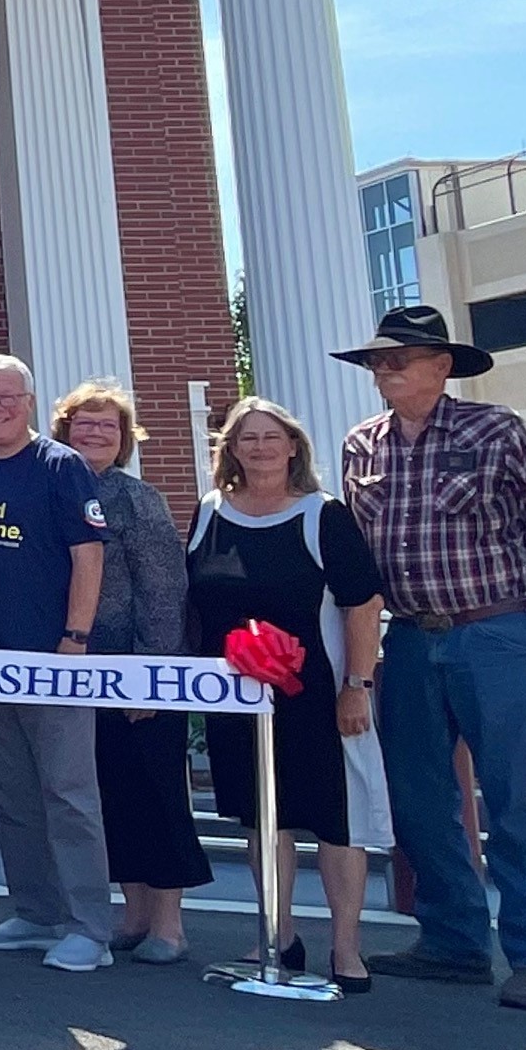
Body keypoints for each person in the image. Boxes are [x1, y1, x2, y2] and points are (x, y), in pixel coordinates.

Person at [334, 304, 526, 1007]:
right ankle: (453, 941)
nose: (384, 369)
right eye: (377, 360)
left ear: (442, 366)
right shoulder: (362, 443)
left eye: (399, 358)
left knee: (518, 798)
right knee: (417, 798)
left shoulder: (498, 431)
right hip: (409, 636)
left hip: (498, 631)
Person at [191, 397, 389, 993]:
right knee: (262, 821)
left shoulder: (322, 515)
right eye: (245, 438)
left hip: (319, 697)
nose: (258, 448)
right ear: (231, 449)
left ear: (294, 446)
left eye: (270, 437)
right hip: (240, 702)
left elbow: (363, 605)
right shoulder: (210, 512)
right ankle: (278, 936)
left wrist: (357, 687)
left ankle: (347, 949)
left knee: (335, 823)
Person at [0, 353, 114, 971]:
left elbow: (89, 558)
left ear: (28, 402)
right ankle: (35, 911)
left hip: (52, 659)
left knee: (69, 794)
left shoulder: (61, 465)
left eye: (7, 398)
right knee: (10, 792)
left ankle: (89, 928)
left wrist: (75, 638)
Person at [55, 381, 205, 963]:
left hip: (137, 668)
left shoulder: (138, 499)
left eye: (107, 427)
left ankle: (169, 924)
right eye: (83, 424)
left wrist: (152, 673)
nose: (94, 434)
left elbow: (166, 591)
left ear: (124, 440)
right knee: (111, 794)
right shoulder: (56, 491)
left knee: (157, 793)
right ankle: (135, 913)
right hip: (81, 671)